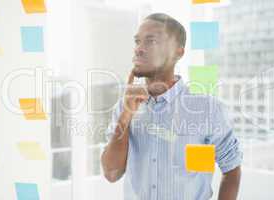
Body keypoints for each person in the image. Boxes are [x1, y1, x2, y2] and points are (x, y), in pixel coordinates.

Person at [101, 13, 243, 200]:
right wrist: (126, 115)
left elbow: (231, 168)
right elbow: (112, 174)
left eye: (150, 41)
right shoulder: (124, 107)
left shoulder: (206, 109)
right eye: (137, 41)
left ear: (178, 51)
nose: (139, 49)